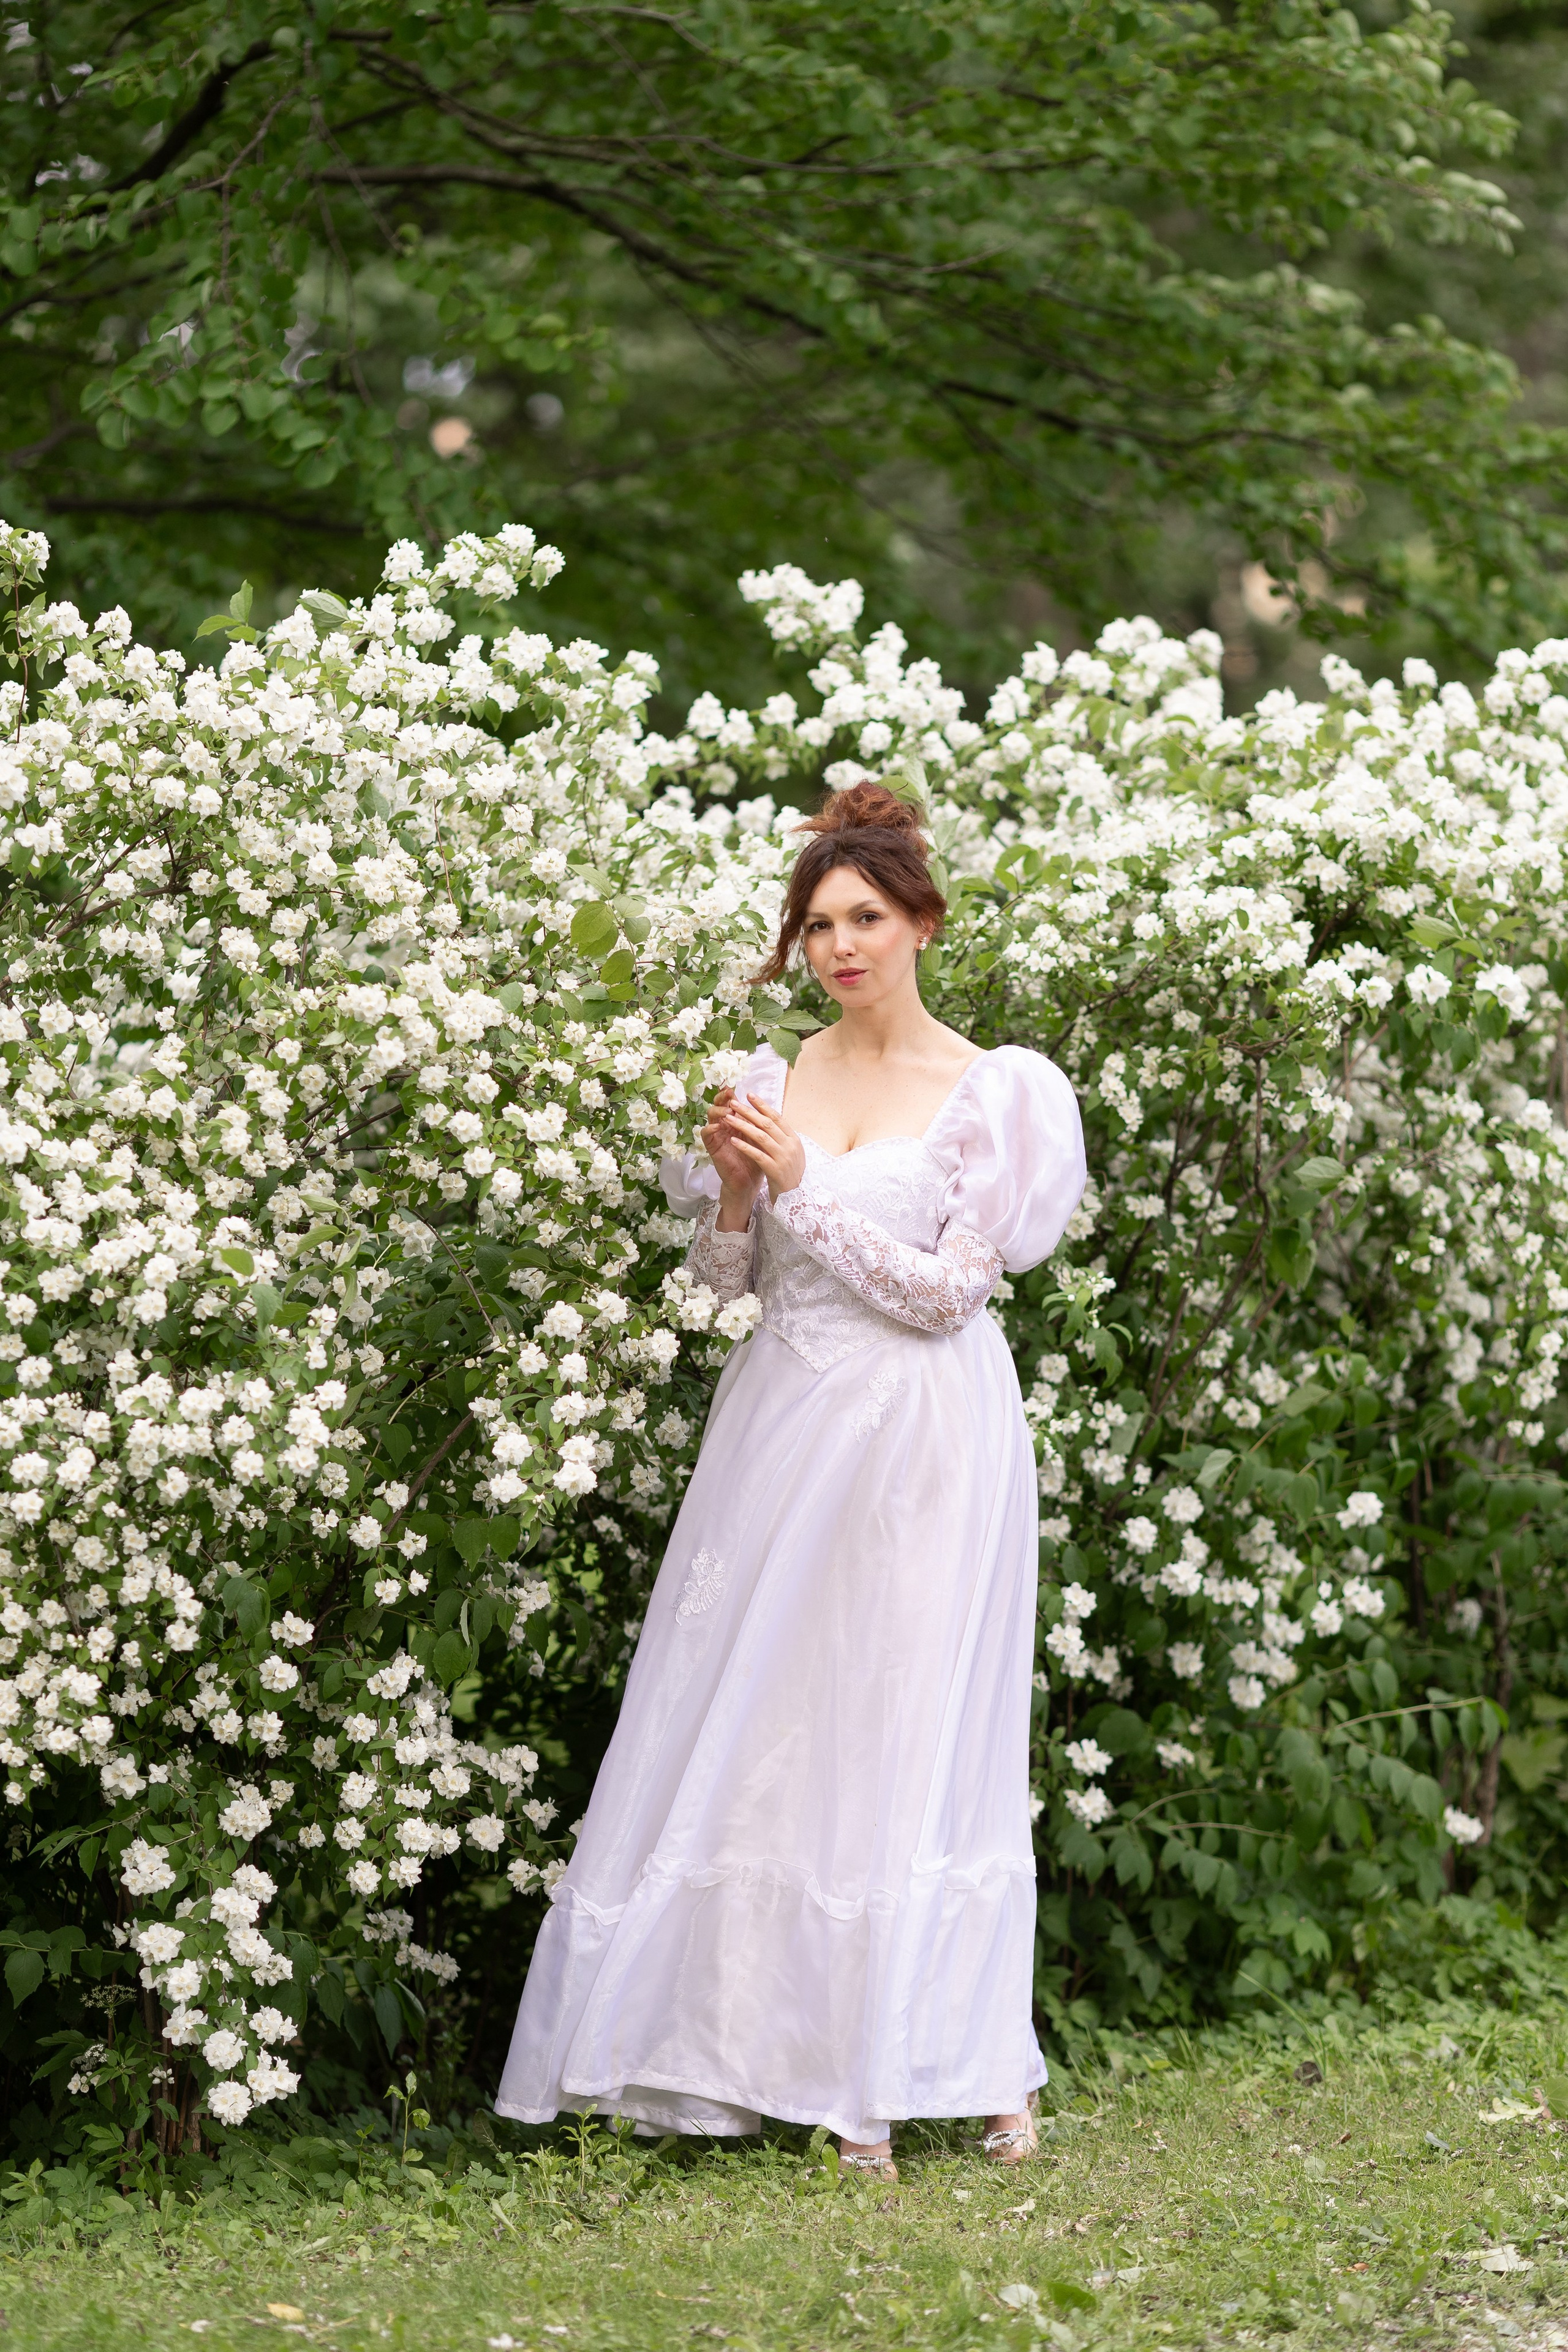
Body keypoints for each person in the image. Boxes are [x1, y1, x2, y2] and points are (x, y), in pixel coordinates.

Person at [495, 781, 1087, 2177]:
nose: (839, 946)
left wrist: (806, 1181)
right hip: (786, 1427)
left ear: (920, 922)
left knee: (914, 1724)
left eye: (864, 918)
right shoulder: (769, 1085)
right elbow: (725, 1284)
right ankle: (765, 2056)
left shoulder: (990, 1089)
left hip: (930, 1440)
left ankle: (952, 2065)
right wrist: (741, 1195)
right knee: (774, 1728)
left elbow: (947, 1296)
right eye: (817, 924)